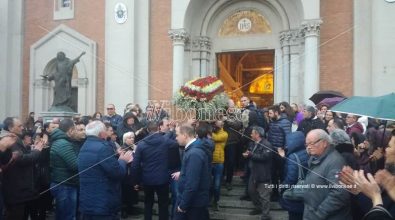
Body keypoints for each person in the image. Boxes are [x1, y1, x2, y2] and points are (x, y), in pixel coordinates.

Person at [78, 120, 133, 219]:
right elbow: (117, 172)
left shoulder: (84, 145)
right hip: (102, 202)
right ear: (102, 133)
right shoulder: (103, 148)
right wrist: (123, 161)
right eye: (105, 130)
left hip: (87, 201)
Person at [1, 117, 44, 220]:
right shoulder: (10, 140)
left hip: (20, 189)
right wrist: (37, 151)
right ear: (11, 128)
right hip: (16, 189)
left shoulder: (14, 138)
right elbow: (21, 159)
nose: (22, 128)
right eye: (19, 126)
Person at [303, 129, 352, 220]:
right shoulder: (315, 158)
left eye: (312, 143)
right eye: (307, 144)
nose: (308, 147)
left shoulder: (335, 162)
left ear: (324, 143)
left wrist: (318, 214)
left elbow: (340, 194)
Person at [131, 121, 176, 220]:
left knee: (148, 204)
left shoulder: (142, 144)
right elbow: (175, 144)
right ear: (158, 129)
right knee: (163, 205)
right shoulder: (165, 141)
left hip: (147, 179)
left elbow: (135, 165)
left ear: (147, 130)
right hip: (162, 178)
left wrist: (135, 181)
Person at [174, 125, 211, 220]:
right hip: (195, 201)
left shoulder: (194, 153)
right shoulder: (194, 150)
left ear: (185, 135)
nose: (176, 138)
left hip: (193, 203)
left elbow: (192, 183)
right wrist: (183, 172)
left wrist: (183, 205)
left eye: (177, 135)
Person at [49, 119, 79, 220]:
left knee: (62, 215)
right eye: (75, 129)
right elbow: (75, 165)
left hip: (62, 183)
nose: (76, 132)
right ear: (70, 130)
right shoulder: (64, 144)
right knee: (68, 216)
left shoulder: (61, 141)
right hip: (65, 185)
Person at [244, 126, 273, 219]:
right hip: (254, 172)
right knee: (251, 191)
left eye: (252, 133)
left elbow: (265, 157)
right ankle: (258, 207)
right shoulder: (252, 143)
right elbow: (251, 154)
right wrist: (247, 154)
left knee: (264, 196)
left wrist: (251, 154)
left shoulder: (267, 144)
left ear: (257, 134)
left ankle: (266, 215)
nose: (251, 135)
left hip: (263, 173)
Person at [279, 131, 308, 220]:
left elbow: (291, 178)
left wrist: (282, 187)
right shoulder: (307, 152)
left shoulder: (293, 157)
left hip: (296, 194)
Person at [211, 120, 228, 211]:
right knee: (208, 183)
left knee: (217, 185)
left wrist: (209, 131)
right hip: (209, 162)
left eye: (217, 123)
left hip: (219, 162)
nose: (215, 125)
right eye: (215, 123)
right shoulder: (211, 132)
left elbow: (216, 138)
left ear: (222, 125)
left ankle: (216, 201)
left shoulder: (224, 134)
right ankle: (209, 200)